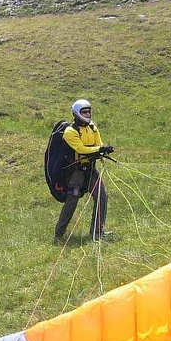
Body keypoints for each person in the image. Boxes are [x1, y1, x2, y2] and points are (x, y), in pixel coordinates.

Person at [54, 98, 114, 243]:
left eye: (89, 111)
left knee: (102, 197)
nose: (87, 114)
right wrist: (99, 149)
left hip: (91, 170)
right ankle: (58, 236)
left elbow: (98, 144)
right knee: (72, 202)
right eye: (84, 112)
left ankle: (97, 233)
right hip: (76, 173)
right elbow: (81, 149)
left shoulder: (93, 127)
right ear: (77, 113)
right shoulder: (70, 132)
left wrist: (102, 150)